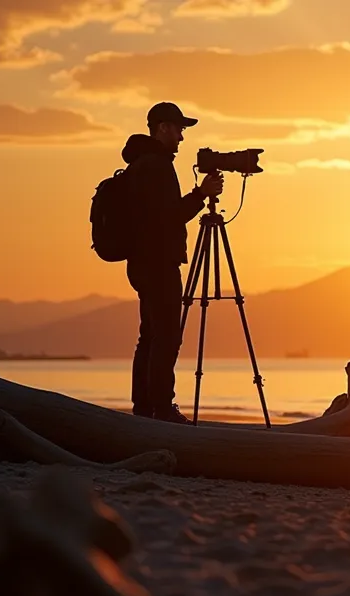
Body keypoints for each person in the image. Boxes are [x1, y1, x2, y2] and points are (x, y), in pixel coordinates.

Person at [121, 102, 223, 423]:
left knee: (150, 335)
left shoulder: (144, 162)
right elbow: (170, 217)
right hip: (157, 262)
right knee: (166, 335)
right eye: (178, 129)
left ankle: (144, 409)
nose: (181, 137)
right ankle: (162, 410)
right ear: (162, 127)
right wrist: (201, 194)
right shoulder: (156, 165)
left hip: (143, 261)